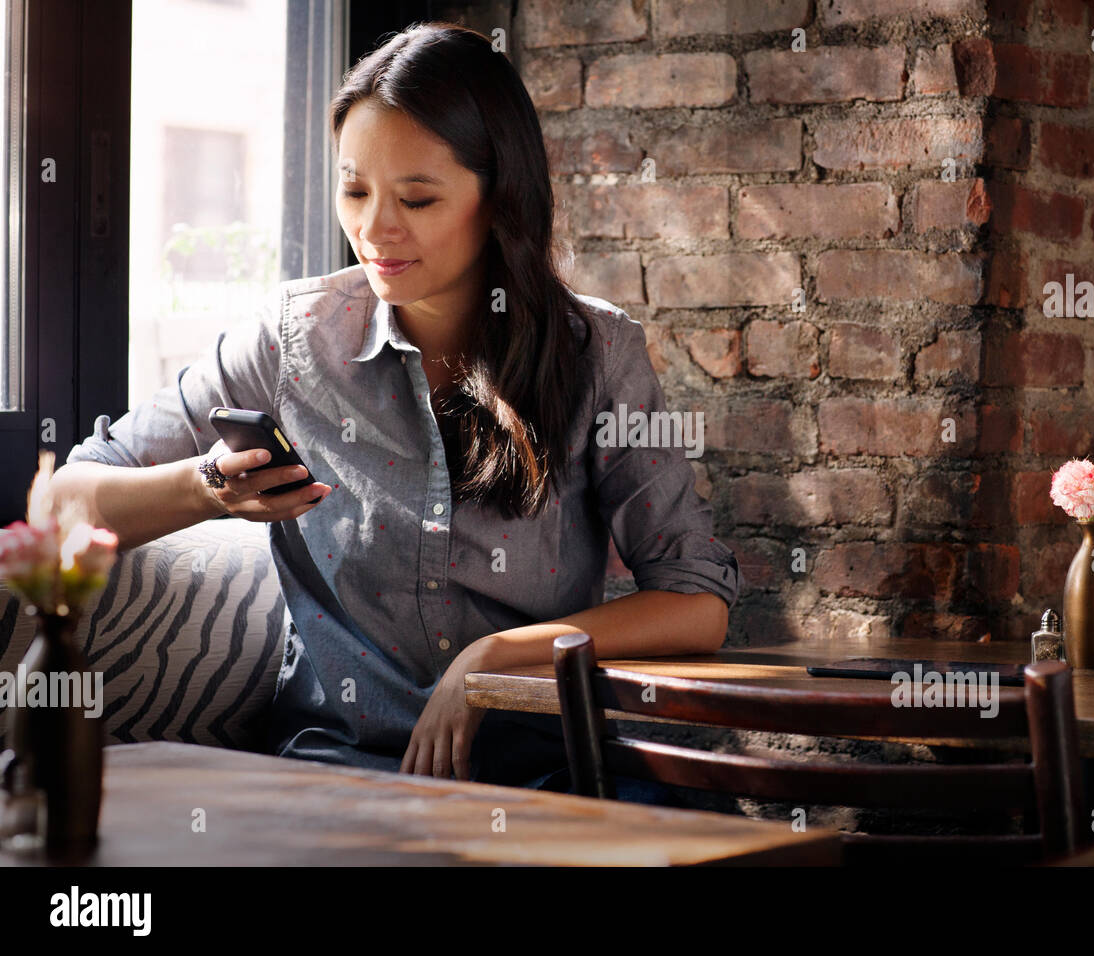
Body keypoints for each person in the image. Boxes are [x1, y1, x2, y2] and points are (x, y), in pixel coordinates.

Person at [49, 23, 742, 803]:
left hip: (549, 770)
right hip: (345, 769)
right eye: (355, 191)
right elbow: (61, 503)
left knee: (716, 827)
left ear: (498, 197)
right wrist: (211, 488)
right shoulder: (293, 340)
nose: (374, 229)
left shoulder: (595, 352)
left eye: (416, 198)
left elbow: (695, 604)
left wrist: (492, 658)